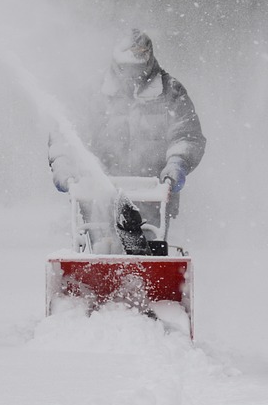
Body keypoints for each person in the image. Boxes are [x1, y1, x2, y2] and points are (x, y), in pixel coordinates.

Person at [49, 30, 205, 248]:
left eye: (139, 68)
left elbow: (186, 134)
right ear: (116, 63)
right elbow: (67, 134)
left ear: (149, 62)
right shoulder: (93, 93)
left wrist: (177, 165)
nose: (133, 75)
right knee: (102, 250)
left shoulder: (170, 92)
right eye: (127, 68)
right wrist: (64, 165)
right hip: (97, 195)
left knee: (146, 252)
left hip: (152, 194)